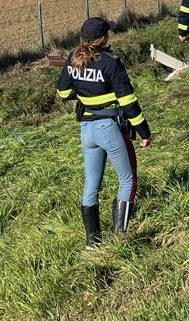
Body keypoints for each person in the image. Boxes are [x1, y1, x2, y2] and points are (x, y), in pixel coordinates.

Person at [56, 17, 152, 248]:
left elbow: (62, 92)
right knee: (127, 180)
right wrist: (144, 131)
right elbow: (128, 101)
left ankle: (93, 241)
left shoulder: (73, 58)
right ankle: (120, 237)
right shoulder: (111, 62)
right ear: (103, 38)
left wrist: (83, 96)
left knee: (91, 186)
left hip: (87, 130)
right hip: (110, 128)